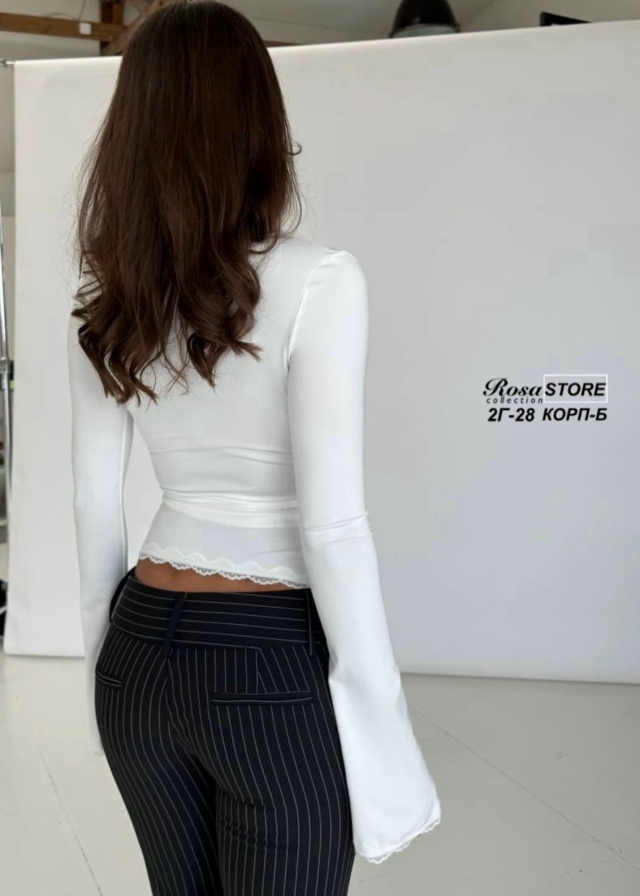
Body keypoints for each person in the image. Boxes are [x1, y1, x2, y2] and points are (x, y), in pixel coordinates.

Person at [67, 2, 441, 891]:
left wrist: (103, 678)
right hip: (264, 659)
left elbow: (91, 502)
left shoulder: (109, 298)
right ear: (258, 123)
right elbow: (332, 526)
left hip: (137, 655)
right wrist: (380, 725)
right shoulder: (321, 280)